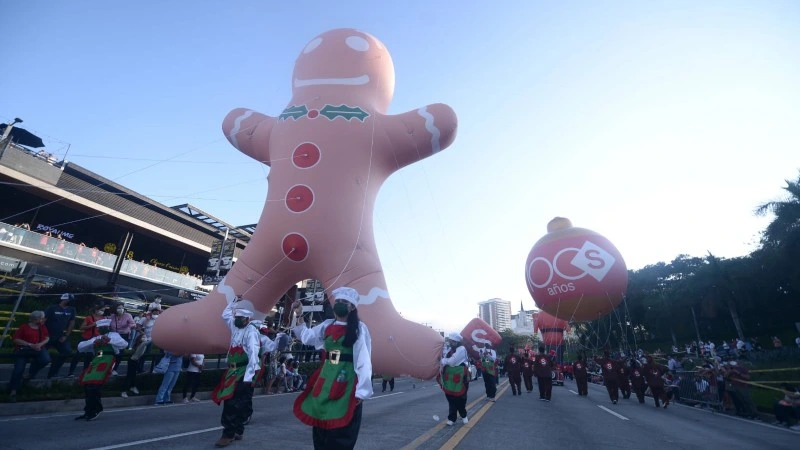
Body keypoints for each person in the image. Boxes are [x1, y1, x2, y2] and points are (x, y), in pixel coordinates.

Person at [292, 287, 373, 450]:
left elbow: (364, 360)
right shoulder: (327, 325)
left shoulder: (359, 328)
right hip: (325, 377)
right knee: (321, 421)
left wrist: (362, 391)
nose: (340, 304)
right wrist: (299, 314)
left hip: (346, 379)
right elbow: (307, 337)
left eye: (345, 302)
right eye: (338, 301)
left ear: (352, 307)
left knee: (340, 429)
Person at [211, 301, 261, 447]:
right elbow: (225, 315)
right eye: (236, 317)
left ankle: (229, 433)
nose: (236, 320)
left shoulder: (251, 332)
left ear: (247, 319)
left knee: (233, 402)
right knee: (238, 402)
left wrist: (249, 376)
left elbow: (253, 354)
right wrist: (233, 302)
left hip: (242, 371)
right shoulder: (235, 325)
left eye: (240, 318)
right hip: (232, 371)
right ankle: (238, 430)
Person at [75, 318, 127, 421]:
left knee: (95, 385)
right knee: (87, 384)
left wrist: (109, 340)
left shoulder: (114, 335)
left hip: (108, 359)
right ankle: (88, 410)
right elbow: (80, 347)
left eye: (103, 327)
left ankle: (96, 409)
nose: (101, 329)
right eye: (100, 328)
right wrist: (94, 342)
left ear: (107, 327)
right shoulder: (96, 337)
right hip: (97, 359)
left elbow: (124, 344)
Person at [8, 311, 50, 402]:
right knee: (18, 369)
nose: (43, 320)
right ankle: (13, 389)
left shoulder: (42, 327)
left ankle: (30, 374)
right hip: (24, 349)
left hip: (38, 348)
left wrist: (39, 344)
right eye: (42, 318)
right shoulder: (24, 327)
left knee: (45, 359)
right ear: (36, 319)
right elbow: (16, 339)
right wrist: (30, 344)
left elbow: (47, 337)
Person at [439, 332, 470, 426]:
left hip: (460, 375)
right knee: (450, 396)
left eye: (452, 341)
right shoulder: (450, 349)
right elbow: (445, 359)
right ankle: (452, 418)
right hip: (450, 376)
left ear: (456, 341)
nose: (450, 342)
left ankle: (463, 414)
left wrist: (443, 361)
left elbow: (452, 361)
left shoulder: (461, 349)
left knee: (460, 397)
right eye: (450, 341)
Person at [45, 293, 78, 378]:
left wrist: (66, 335)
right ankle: (32, 373)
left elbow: (72, 322)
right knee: (40, 355)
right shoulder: (52, 308)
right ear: (63, 299)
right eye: (69, 299)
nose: (70, 301)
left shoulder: (72, 309)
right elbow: (44, 320)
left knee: (66, 351)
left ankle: (53, 373)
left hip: (61, 336)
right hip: (47, 335)